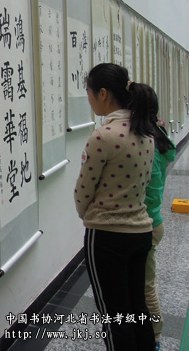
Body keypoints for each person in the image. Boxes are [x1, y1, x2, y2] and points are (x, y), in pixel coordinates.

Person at [74, 63, 156, 351]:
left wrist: (88, 216)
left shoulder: (103, 136)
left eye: (89, 93)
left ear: (103, 93)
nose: (89, 99)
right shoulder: (146, 132)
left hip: (108, 237)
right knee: (137, 309)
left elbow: (83, 191)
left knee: (114, 317)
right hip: (141, 232)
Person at [143, 85, 176, 351]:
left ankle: (155, 338)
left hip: (148, 224)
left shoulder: (148, 145)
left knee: (146, 286)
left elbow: (149, 188)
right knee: (144, 284)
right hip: (155, 221)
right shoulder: (158, 134)